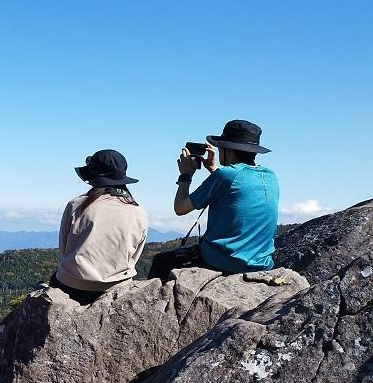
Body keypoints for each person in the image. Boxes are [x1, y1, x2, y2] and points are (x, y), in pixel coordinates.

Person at [150, 119, 279, 281]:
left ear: (228, 149)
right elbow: (237, 186)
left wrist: (185, 175)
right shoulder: (270, 176)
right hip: (262, 263)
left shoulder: (225, 175)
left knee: (161, 261)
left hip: (227, 261)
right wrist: (212, 168)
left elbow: (180, 208)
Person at [52, 150, 149, 304]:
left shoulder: (76, 205)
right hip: (116, 287)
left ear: (92, 177)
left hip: (71, 283)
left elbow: (63, 248)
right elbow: (134, 255)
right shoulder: (138, 211)